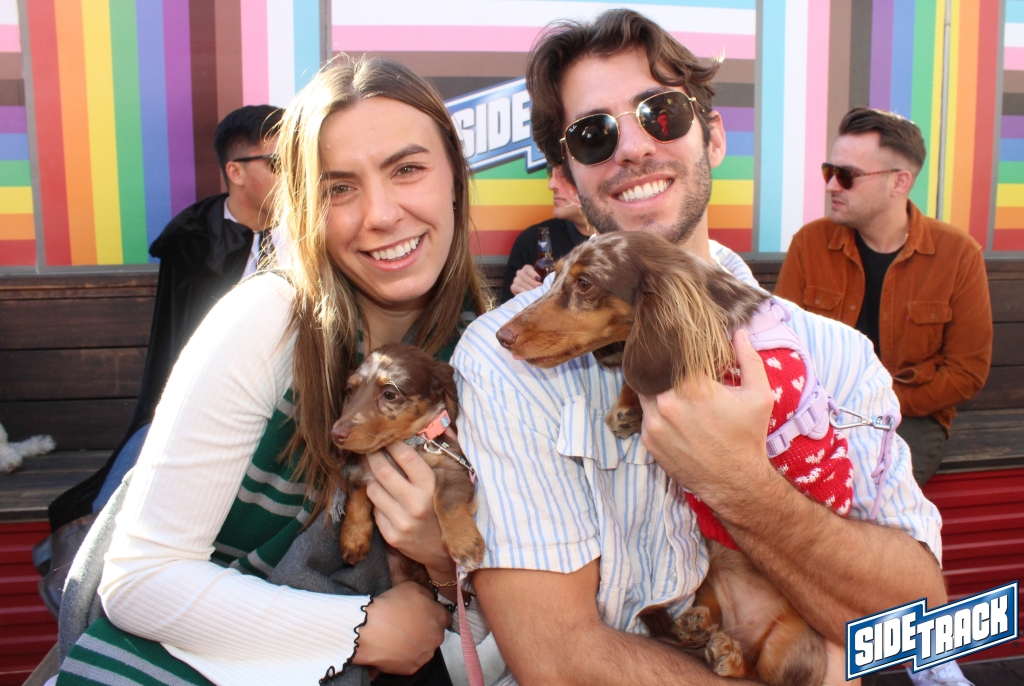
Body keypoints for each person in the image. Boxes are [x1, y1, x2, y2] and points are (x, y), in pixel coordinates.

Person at [450, 10, 946, 686]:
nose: (631, 148)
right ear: (569, 174)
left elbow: (917, 626)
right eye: (594, 135)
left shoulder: (838, 357)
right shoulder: (505, 359)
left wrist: (740, 485)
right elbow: (559, 661)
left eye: (661, 113)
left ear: (711, 137)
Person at [53, 57, 490, 685]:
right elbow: (140, 579)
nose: (381, 214)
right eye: (339, 188)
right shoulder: (269, 321)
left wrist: (440, 560)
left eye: (407, 170)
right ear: (307, 207)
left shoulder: (482, 352)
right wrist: (362, 628)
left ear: (455, 176)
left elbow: (493, 622)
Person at [47, 105, 286, 527]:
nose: (295, 175)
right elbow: (179, 346)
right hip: (202, 393)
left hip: (287, 393)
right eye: (279, 163)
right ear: (236, 171)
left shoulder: (312, 232)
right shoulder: (195, 240)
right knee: (121, 499)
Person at [776, 108, 992, 489]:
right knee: (788, 487)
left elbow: (966, 371)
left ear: (899, 182)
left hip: (911, 416)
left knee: (871, 492)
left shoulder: (958, 255)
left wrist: (881, 403)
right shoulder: (809, 244)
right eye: (830, 171)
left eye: (847, 175)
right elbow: (781, 345)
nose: (831, 186)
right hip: (819, 411)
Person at [500, 165, 594, 302]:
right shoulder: (532, 240)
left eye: (565, 175)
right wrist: (521, 300)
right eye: (551, 173)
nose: (551, 185)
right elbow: (504, 312)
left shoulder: (625, 237)